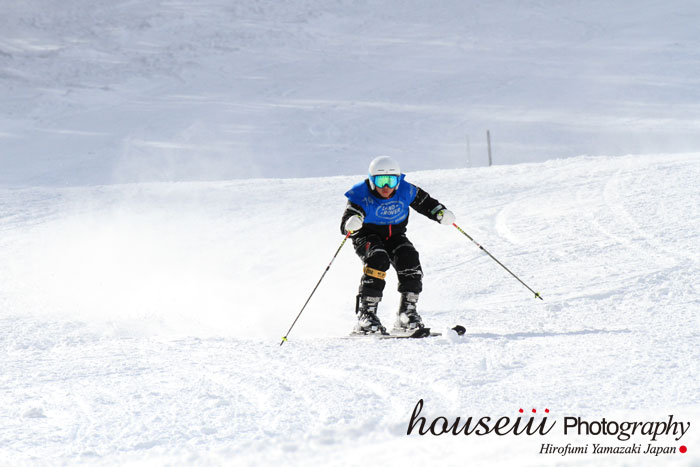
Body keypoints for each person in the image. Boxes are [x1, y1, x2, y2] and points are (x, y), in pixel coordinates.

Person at [340, 156, 455, 335]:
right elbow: (347, 223)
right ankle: (366, 315)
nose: (386, 187)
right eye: (381, 181)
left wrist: (439, 212)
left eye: (391, 180)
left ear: (398, 180)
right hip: (366, 236)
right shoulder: (360, 195)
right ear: (371, 181)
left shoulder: (406, 190)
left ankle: (406, 314)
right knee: (378, 258)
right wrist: (351, 223)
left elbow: (426, 204)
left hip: (395, 235)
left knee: (410, 259)